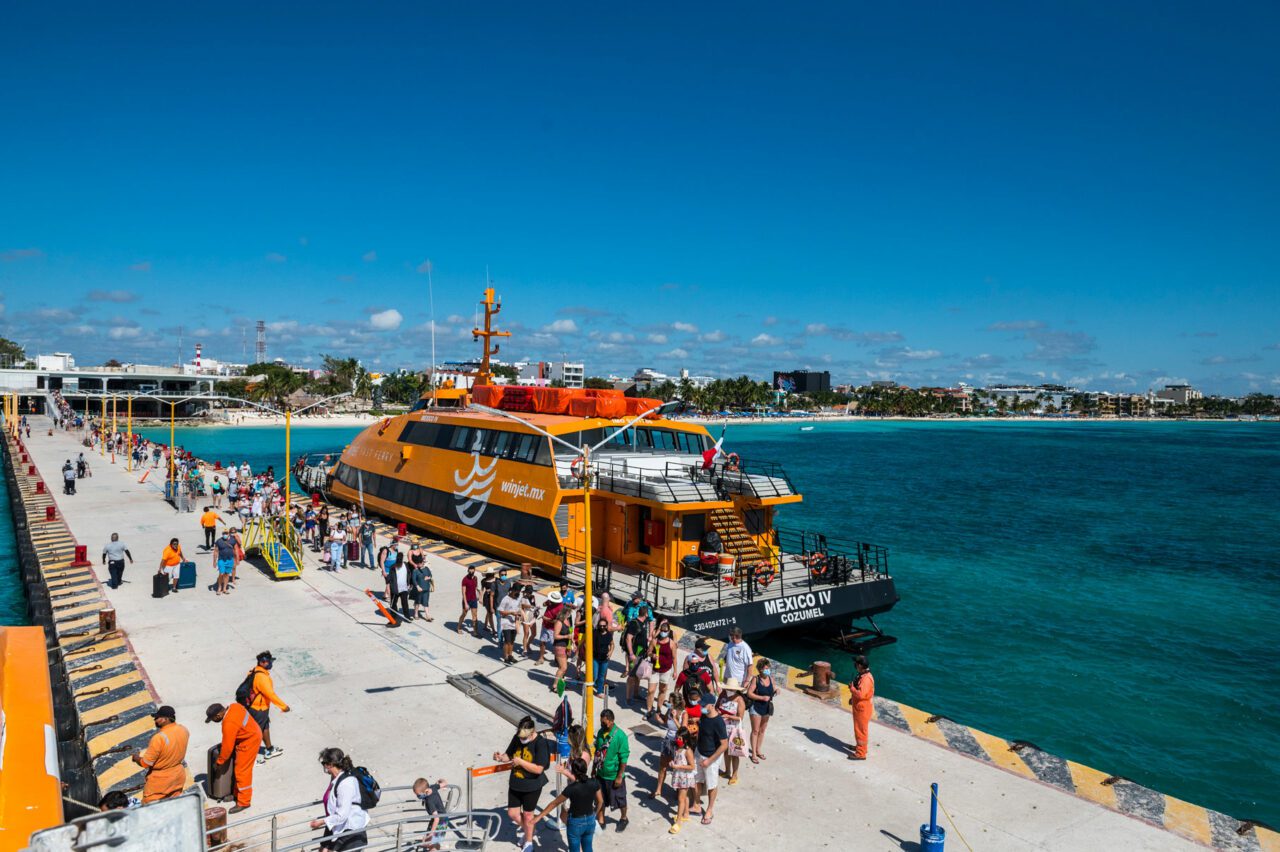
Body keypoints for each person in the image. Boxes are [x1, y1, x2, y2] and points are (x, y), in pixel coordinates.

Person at [493, 716, 550, 852]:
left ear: (532, 732)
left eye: (525, 738)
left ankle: (529, 842)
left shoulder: (540, 743)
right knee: (513, 814)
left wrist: (521, 762)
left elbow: (539, 769)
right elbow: (509, 754)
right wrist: (500, 758)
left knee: (528, 815)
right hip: (516, 783)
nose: (522, 740)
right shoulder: (517, 737)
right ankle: (529, 829)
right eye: (520, 737)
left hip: (532, 785)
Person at [534, 757, 600, 852]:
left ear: (573, 771)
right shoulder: (594, 782)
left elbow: (554, 803)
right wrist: (594, 814)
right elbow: (600, 801)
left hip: (575, 822)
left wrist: (539, 817)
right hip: (590, 820)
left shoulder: (571, 789)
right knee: (588, 848)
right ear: (585, 769)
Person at [206, 701, 263, 812]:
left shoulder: (228, 723)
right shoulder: (234, 706)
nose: (213, 721)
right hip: (252, 733)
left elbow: (227, 747)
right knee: (238, 770)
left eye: (213, 719)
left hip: (249, 741)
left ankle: (244, 802)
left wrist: (220, 761)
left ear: (218, 715)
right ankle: (236, 794)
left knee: (242, 771)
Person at [309, 748, 369, 851]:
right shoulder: (338, 778)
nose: (323, 766)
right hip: (340, 827)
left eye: (324, 763)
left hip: (350, 831)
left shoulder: (345, 784)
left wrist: (321, 822)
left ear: (330, 764)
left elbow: (342, 815)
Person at [131, 705, 190, 803]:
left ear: (165, 719)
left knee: (150, 808)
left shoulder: (158, 738)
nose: (155, 720)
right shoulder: (183, 729)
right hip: (178, 776)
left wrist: (136, 757)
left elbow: (145, 763)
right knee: (174, 804)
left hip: (160, 781)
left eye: (157, 718)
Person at [245, 651, 290, 760]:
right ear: (262, 662)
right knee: (255, 734)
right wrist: (283, 706)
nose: (271, 664)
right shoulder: (262, 677)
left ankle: (269, 749)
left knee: (265, 727)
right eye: (269, 662)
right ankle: (249, 759)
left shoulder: (254, 671)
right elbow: (270, 694)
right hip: (258, 709)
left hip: (258, 707)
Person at [691, 695, 728, 825]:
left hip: (711, 757)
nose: (701, 707)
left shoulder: (719, 722)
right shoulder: (704, 716)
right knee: (696, 779)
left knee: (711, 784)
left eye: (704, 705)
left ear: (712, 705)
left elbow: (724, 745)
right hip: (699, 752)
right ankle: (696, 804)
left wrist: (710, 760)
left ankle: (709, 810)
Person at [592, 709, 629, 831]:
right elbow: (597, 753)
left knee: (620, 800)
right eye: (601, 723)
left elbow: (623, 758)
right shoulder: (600, 733)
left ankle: (624, 818)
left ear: (612, 721)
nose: (603, 725)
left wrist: (619, 776)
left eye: (605, 723)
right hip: (600, 774)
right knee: (599, 799)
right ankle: (601, 820)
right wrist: (593, 769)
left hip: (613, 776)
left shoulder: (620, 736)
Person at [648, 691, 687, 800]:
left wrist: (675, 718)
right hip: (668, 741)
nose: (668, 703)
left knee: (677, 768)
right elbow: (665, 722)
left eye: (670, 701)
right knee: (662, 766)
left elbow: (683, 730)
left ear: (675, 702)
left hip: (678, 744)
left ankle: (678, 791)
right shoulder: (670, 710)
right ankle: (658, 789)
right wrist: (658, 718)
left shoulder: (684, 713)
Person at [717, 679, 749, 784]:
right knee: (726, 751)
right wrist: (718, 711)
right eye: (728, 689)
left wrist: (728, 716)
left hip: (733, 729)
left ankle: (734, 774)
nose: (729, 690)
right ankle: (727, 771)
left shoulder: (739, 700)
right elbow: (717, 706)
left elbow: (740, 717)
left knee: (734, 752)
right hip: (723, 727)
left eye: (731, 689)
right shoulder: (723, 695)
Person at [666, 726, 696, 834]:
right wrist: (672, 764)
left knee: (680, 799)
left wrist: (678, 767)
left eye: (680, 738)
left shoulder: (688, 751)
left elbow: (692, 766)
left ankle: (678, 822)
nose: (677, 740)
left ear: (685, 739)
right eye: (677, 737)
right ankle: (685, 814)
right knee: (684, 797)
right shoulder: (678, 748)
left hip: (684, 777)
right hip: (679, 775)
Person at [745, 657, 776, 763]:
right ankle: (753, 753)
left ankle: (758, 750)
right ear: (760, 669)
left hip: (767, 707)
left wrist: (777, 690)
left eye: (768, 668)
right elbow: (749, 693)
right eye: (766, 668)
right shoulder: (756, 679)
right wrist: (761, 698)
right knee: (755, 731)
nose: (768, 670)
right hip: (756, 707)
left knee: (762, 731)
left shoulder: (771, 679)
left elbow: (774, 688)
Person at [623, 606, 652, 706]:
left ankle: (635, 694)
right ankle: (627, 698)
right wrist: (631, 654)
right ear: (646, 614)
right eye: (648, 613)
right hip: (635, 655)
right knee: (631, 676)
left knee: (637, 676)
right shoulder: (634, 624)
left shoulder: (643, 623)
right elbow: (628, 638)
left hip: (641, 655)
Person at [646, 620, 676, 716]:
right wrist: (653, 655)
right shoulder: (654, 641)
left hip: (666, 670)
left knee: (662, 690)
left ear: (669, 631)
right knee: (651, 691)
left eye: (665, 631)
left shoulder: (671, 643)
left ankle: (658, 710)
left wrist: (675, 671)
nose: (663, 632)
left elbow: (674, 658)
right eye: (662, 630)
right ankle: (649, 710)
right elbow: (648, 652)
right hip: (654, 669)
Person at [412, 776, 449, 851]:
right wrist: (440, 780)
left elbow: (436, 818)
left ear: (426, 791)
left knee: (431, 844)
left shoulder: (429, 801)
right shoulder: (433, 787)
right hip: (444, 820)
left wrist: (431, 833)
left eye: (419, 795)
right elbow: (444, 783)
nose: (418, 796)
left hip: (439, 822)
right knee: (433, 842)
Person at [849, 654, 875, 760]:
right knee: (860, 729)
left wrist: (852, 689)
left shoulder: (866, 679)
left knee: (860, 730)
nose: (855, 665)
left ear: (860, 665)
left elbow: (861, 694)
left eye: (856, 663)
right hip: (860, 706)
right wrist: (852, 698)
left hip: (862, 709)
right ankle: (861, 747)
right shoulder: (863, 675)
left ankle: (861, 753)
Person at [498, 583, 522, 664]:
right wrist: (511, 613)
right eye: (517, 591)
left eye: (519, 591)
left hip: (514, 623)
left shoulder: (518, 598)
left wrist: (519, 614)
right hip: (506, 622)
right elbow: (501, 611)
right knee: (507, 641)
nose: (518, 593)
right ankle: (506, 657)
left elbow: (518, 608)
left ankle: (510, 655)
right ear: (513, 590)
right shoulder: (506, 599)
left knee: (512, 641)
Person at [591, 614, 613, 697]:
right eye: (600, 625)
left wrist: (610, 652)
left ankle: (599, 692)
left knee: (601, 676)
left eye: (604, 626)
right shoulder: (595, 633)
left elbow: (612, 644)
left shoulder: (609, 635)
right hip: (595, 657)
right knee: (595, 675)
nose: (602, 627)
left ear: (606, 626)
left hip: (605, 659)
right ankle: (591, 685)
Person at [387, 552, 412, 625]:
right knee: (393, 603)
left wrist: (409, 583)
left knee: (405, 603)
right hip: (395, 589)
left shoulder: (406, 565)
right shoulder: (393, 567)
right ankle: (393, 617)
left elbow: (409, 573)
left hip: (404, 589)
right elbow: (389, 578)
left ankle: (407, 617)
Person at [213, 529, 237, 596]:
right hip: (221, 560)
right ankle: (219, 588)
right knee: (221, 573)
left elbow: (235, 550)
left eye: (226, 533)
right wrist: (214, 561)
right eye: (224, 533)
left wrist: (236, 559)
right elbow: (216, 551)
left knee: (226, 574)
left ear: (228, 533)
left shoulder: (233, 540)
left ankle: (224, 589)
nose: (225, 535)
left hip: (230, 560)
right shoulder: (219, 541)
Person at [457, 565, 480, 635]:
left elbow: (476, 588)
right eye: (470, 569)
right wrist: (466, 603)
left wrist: (478, 595)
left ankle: (475, 631)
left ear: (474, 570)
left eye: (472, 570)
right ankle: (459, 627)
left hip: (474, 600)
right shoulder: (465, 579)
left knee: (475, 616)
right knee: (464, 614)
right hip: (467, 600)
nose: (471, 571)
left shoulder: (475, 578)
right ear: (468, 570)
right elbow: (463, 592)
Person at [411, 554, 434, 621]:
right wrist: (417, 586)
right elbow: (414, 580)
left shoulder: (426, 569)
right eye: (420, 563)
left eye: (422, 563)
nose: (421, 564)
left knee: (426, 602)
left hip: (426, 588)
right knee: (417, 601)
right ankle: (416, 614)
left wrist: (429, 577)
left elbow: (430, 575)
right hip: (419, 589)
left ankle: (427, 615)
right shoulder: (415, 571)